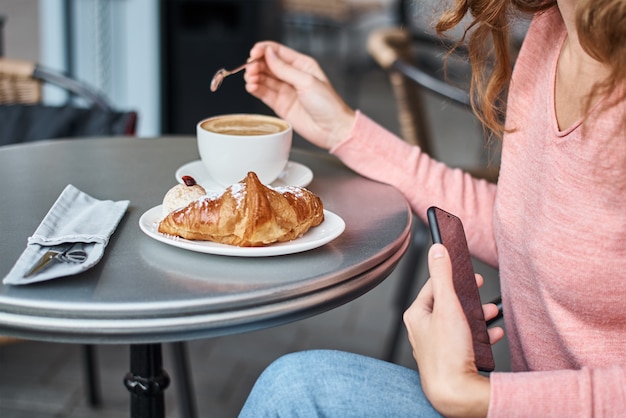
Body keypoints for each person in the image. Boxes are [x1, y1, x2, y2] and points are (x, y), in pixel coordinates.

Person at [239, 0, 626, 416]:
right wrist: (341, 129)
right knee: (293, 390)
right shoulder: (553, 30)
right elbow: (541, 226)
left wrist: (473, 397)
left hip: (497, 403)